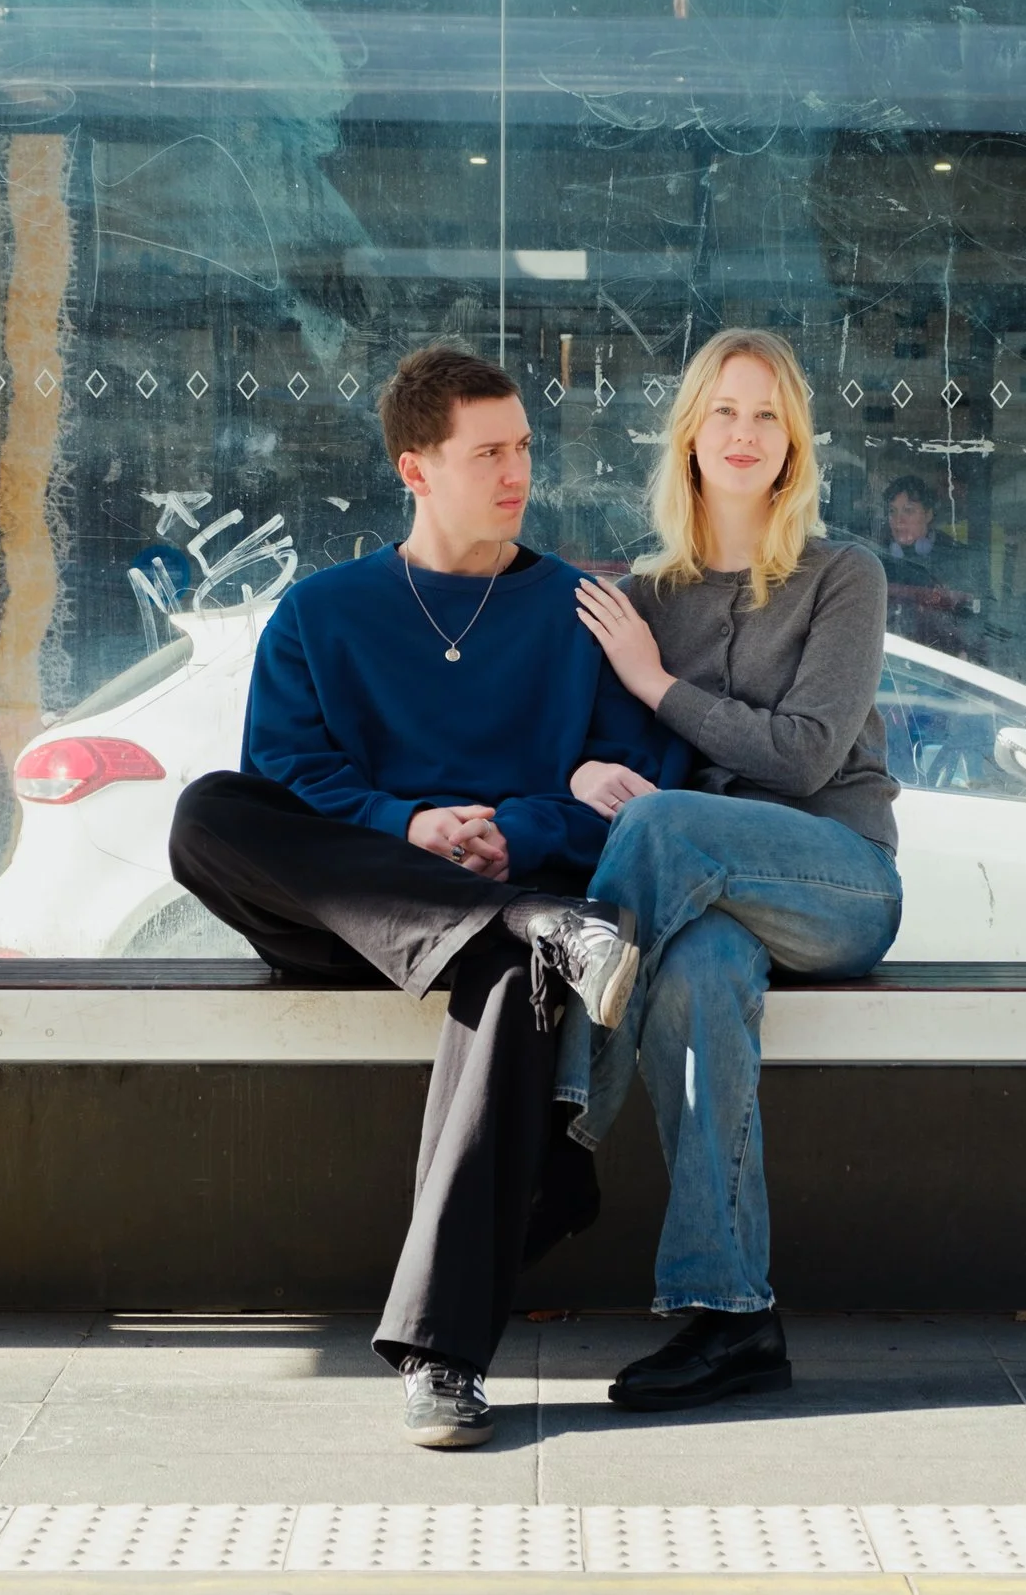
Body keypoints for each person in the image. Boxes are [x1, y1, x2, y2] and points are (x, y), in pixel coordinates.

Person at [167, 346, 686, 1450]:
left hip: (517, 914)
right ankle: (525, 925)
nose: (518, 472)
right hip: (361, 914)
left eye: (523, 447)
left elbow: (639, 795)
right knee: (207, 811)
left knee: (508, 972)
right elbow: (287, 780)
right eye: (488, 452)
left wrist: (517, 831)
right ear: (416, 468)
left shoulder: (579, 613)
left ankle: (443, 1356)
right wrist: (407, 824)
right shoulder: (321, 612)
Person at [558, 328, 904, 1410]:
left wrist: (656, 684)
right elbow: (580, 741)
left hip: (837, 880)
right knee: (699, 974)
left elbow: (804, 756)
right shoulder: (647, 594)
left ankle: (561, 1123)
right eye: (724, 411)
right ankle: (733, 1313)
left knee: (667, 824)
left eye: (766, 415)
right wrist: (581, 772)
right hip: (705, 902)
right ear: (690, 434)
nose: (744, 433)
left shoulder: (843, 575)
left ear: (793, 441)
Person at [877, 474, 986, 660]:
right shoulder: (877, 555)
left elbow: (975, 619)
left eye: (908, 511)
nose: (898, 520)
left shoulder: (956, 558)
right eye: (892, 511)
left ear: (928, 515)